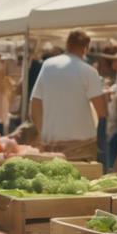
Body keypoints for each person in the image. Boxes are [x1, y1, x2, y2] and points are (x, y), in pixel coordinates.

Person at [29, 29, 107, 161]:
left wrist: (42, 133)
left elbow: (35, 103)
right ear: (85, 48)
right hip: (82, 145)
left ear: (67, 45)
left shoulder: (47, 66)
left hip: (51, 144)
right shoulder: (89, 71)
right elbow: (102, 111)